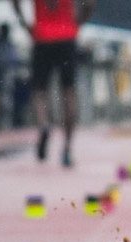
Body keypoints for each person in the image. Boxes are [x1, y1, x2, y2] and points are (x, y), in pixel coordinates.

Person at [11, 0, 94, 167]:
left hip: (41, 37)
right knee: (69, 92)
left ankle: (43, 125)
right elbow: (90, 3)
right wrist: (78, 23)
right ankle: (67, 147)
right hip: (67, 36)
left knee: (39, 91)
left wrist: (25, 24)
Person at [0, 23, 23, 130]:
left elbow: (14, 60)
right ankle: (1, 123)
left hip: (7, 76)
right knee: (0, 100)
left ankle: (6, 123)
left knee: (6, 100)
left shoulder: (8, 44)